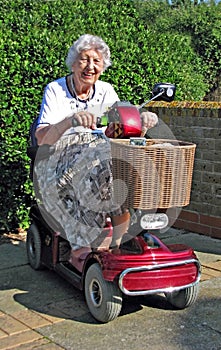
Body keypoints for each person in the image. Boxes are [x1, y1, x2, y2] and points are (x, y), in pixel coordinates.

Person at [34, 34, 158, 270]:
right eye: (84, 60)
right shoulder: (55, 90)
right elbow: (42, 138)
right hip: (60, 158)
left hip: (99, 157)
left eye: (96, 61)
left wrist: (140, 124)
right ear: (73, 63)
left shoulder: (106, 91)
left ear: (103, 66)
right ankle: (80, 249)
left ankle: (119, 243)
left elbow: (120, 130)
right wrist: (70, 121)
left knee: (121, 168)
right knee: (94, 168)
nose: (90, 66)